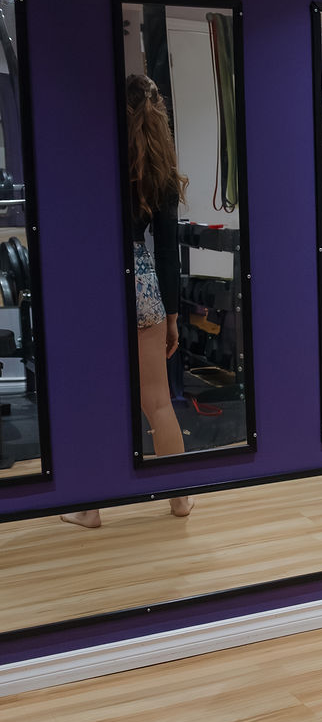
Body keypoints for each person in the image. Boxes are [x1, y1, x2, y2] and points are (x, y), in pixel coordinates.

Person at [62, 74, 192, 527]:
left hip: (98, 282)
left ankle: (89, 509)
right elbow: (167, 252)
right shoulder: (161, 171)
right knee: (157, 401)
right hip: (144, 285)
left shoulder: (97, 159)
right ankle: (179, 501)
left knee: (97, 400)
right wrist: (172, 317)